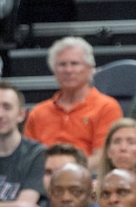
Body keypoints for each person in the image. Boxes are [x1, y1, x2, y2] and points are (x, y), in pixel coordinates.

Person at [24, 36, 123, 171]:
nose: (68, 70)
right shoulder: (38, 112)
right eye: (62, 64)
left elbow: (102, 158)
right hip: (43, 183)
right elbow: (29, 157)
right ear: (54, 71)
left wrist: (63, 173)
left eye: (75, 63)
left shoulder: (107, 107)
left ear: (90, 69)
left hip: (87, 183)